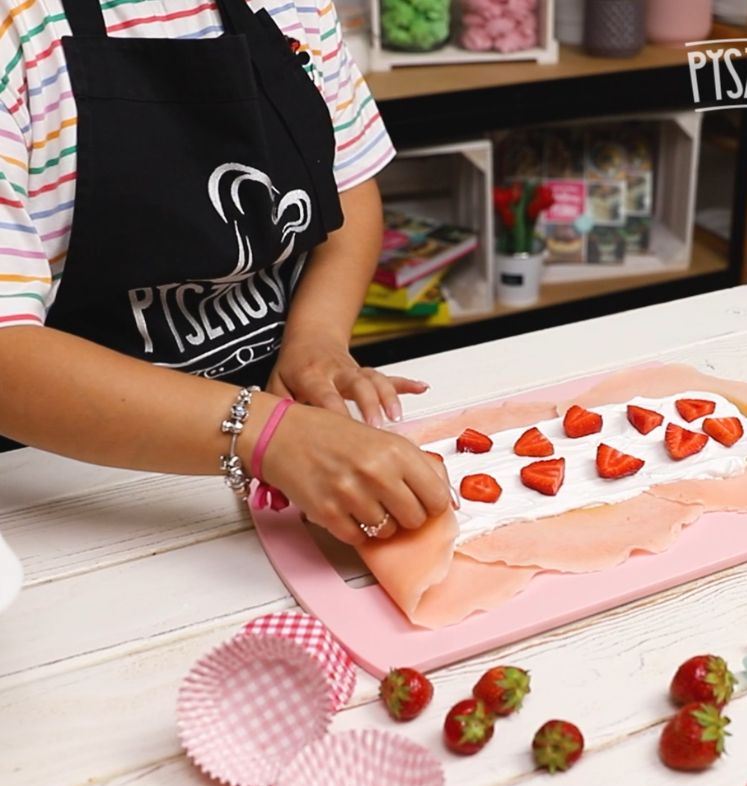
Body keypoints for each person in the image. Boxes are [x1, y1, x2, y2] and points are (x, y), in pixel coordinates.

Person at [0, 0, 451, 545]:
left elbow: (349, 190)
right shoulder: (17, 31)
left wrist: (318, 340)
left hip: (292, 440)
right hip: (76, 491)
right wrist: (268, 435)